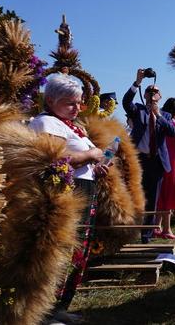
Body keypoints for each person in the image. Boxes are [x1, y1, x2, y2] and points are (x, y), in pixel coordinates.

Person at [29, 75, 110, 318]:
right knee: (63, 250)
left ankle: (60, 308)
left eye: (79, 103)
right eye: (70, 103)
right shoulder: (47, 124)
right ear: (51, 100)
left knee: (78, 250)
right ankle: (47, 312)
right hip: (67, 193)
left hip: (83, 188)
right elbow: (54, 162)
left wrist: (95, 166)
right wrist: (91, 155)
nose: (77, 108)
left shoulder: (69, 125)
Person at [123, 69, 175, 243]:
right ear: (145, 94)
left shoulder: (166, 115)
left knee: (152, 199)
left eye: (156, 91)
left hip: (156, 162)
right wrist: (137, 82)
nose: (153, 93)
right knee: (134, 195)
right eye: (149, 91)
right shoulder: (137, 110)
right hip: (139, 161)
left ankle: (146, 236)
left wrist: (158, 115)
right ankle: (129, 232)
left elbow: (172, 132)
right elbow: (126, 102)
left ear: (160, 96)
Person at [155, 98, 175, 239]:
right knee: (169, 195)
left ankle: (156, 226)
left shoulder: (159, 123)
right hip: (174, 162)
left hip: (161, 161)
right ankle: (167, 229)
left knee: (161, 195)